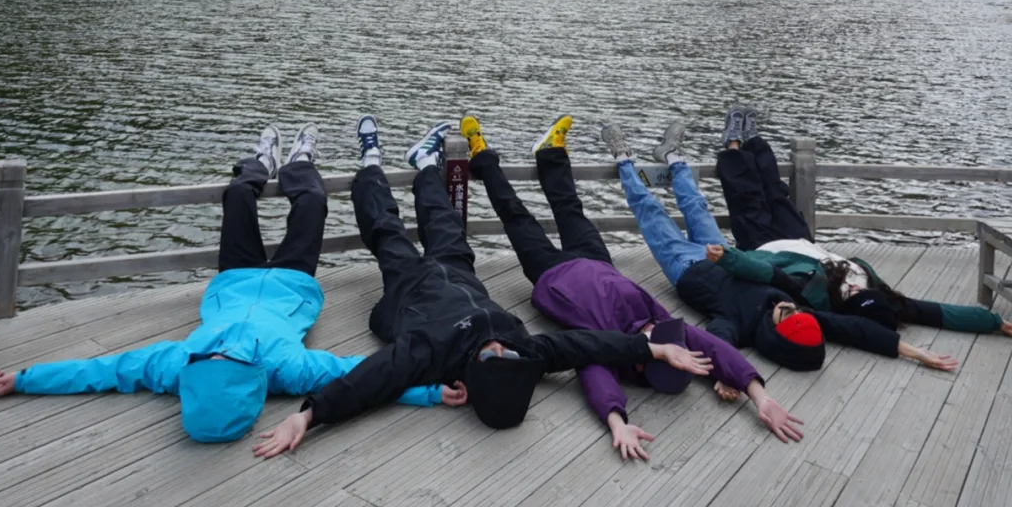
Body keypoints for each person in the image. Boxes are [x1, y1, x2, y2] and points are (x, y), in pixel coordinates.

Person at [252, 117, 701, 458]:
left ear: (470, 377)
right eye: (510, 355)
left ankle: (370, 162)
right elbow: (585, 345)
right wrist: (654, 350)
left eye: (493, 357)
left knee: (385, 230)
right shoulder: (523, 351)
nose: (499, 347)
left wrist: (308, 415)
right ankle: (424, 164)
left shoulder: (429, 354)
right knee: (445, 221)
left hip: (409, 286)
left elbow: (369, 381)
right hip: (460, 273)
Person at [0, 126, 450, 439]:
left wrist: (25, 379)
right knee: (311, 202)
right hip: (292, 282)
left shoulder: (176, 364)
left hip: (233, 280)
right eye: (229, 362)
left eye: (209, 361)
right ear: (252, 379)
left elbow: (103, 372)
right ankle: (301, 160)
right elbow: (360, 374)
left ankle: (261, 162)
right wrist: (430, 391)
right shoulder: (287, 369)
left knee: (238, 195)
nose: (218, 354)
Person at [462, 112, 804, 458]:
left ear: (643, 360)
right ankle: (550, 152)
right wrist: (761, 396)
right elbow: (715, 349)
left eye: (658, 338)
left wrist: (618, 423)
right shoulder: (663, 326)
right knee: (570, 208)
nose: (658, 327)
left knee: (515, 213)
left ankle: (481, 154)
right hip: (597, 260)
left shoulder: (609, 346)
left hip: (551, 273)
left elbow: (597, 379)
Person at [601, 117, 961, 374]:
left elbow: (717, 343)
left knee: (650, 212)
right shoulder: (794, 302)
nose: (791, 308)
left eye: (788, 316)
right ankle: (672, 155)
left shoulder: (740, 325)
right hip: (728, 256)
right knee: (697, 206)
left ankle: (623, 158)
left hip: (686, 268)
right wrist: (915, 352)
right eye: (799, 313)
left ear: (775, 332)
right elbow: (859, 331)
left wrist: (726, 378)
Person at [712, 105, 1012, 339]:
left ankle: (734, 143)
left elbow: (770, 274)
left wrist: (730, 258)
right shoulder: (881, 297)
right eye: (860, 290)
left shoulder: (817, 298)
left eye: (851, 295)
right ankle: (754, 140)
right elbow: (938, 312)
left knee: (747, 196)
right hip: (801, 240)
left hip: (764, 247)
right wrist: (993, 322)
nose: (853, 288)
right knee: (776, 193)